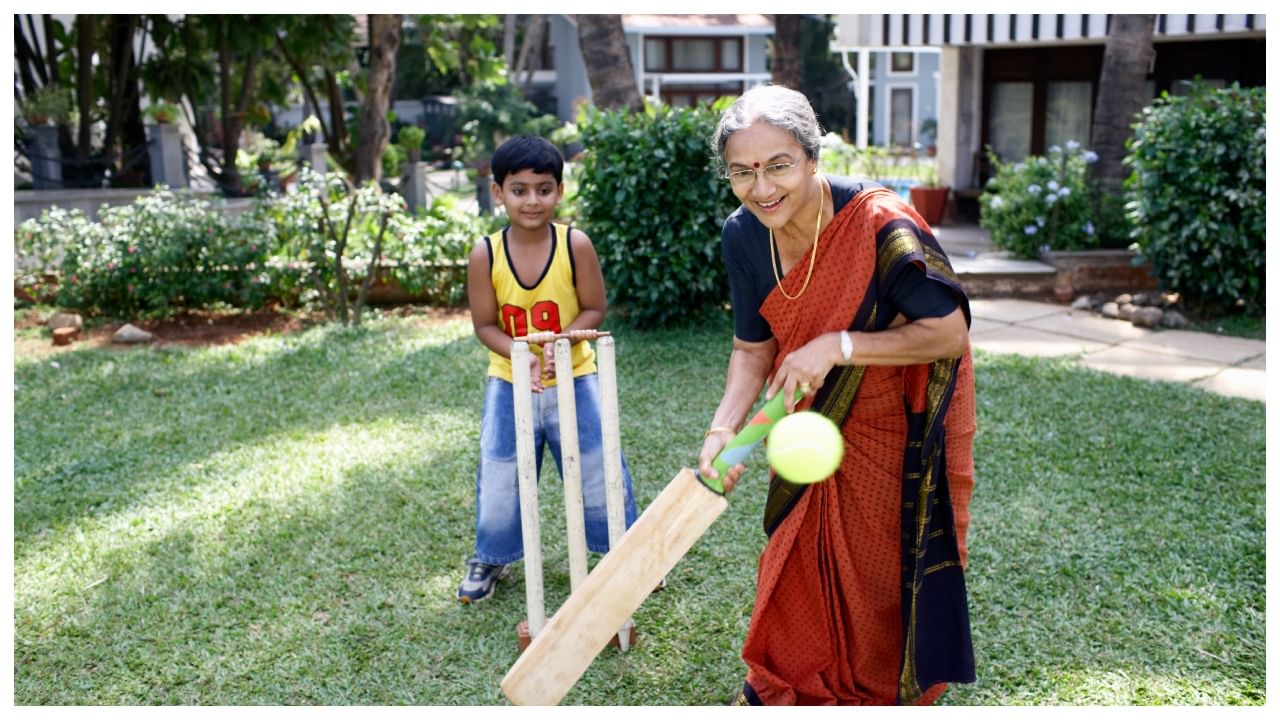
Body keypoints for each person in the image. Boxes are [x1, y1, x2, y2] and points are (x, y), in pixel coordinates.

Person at [699, 85, 977, 705]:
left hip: (891, 424)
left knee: (880, 574)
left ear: (812, 157)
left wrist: (838, 346)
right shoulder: (743, 236)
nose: (762, 187)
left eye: (779, 165)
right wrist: (724, 429)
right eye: (742, 172)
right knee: (794, 558)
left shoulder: (883, 223)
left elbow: (949, 331)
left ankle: (878, 691)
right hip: (810, 426)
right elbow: (753, 349)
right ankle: (793, 678)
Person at [459, 135, 639, 603]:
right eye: (519, 189)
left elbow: (594, 309)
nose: (532, 200)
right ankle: (491, 555)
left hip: (576, 375)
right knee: (500, 470)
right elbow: (484, 324)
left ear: (559, 190)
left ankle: (626, 551)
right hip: (509, 380)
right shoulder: (486, 253)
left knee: (599, 463)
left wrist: (559, 346)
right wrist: (525, 357)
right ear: (498, 193)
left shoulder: (574, 243)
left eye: (543, 188)